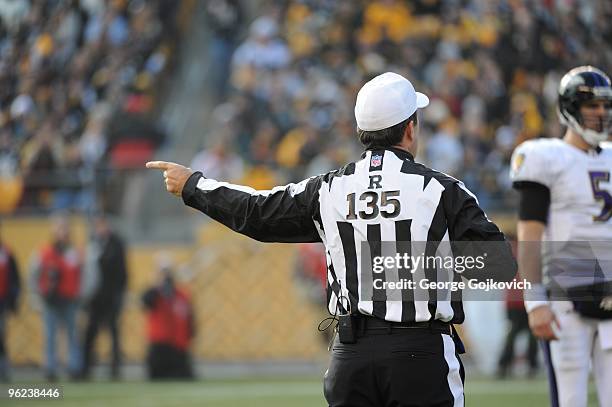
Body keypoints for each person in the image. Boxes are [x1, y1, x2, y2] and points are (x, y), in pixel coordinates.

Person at [147, 71, 516, 406]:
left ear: (362, 133)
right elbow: (498, 267)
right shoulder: (442, 190)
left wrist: (194, 185)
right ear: (410, 129)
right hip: (420, 352)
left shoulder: (329, 190)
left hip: (351, 355)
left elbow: (256, 213)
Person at [510, 66, 612, 407]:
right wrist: (535, 301)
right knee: (570, 401)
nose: (600, 113)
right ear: (570, 108)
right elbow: (530, 235)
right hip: (565, 298)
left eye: (604, 106)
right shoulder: (546, 156)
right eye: (591, 106)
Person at [29, 215, 83, 381]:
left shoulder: (75, 252)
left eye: (65, 228)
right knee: (50, 336)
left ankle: (74, 368)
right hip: (50, 301)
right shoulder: (44, 252)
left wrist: (81, 294)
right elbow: (32, 275)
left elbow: (85, 275)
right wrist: (38, 296)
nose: (63, 232)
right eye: (60, 228)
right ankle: (50, 369)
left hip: (70, 299)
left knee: (72, 336)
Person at [81, 215, 128, 380]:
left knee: (113, 333)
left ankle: (115, 369)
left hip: (111, 296)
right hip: (95, 298)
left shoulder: (116, 244)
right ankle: (85, 367)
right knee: (90, 333)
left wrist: (120, 295)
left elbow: (122, 272)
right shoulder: (93, 244)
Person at [142, 255, 195, 380]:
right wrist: (157, 285)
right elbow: (145, 301)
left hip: (178, 348)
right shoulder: (154, 294)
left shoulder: (182, 295)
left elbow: (190, 320)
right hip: (159, 348)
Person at [0, 225, 20, 382]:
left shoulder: (6, 252)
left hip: (1, 302)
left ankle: (3, 369)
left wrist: (12, 300)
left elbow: (15, 279)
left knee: (1, 336)